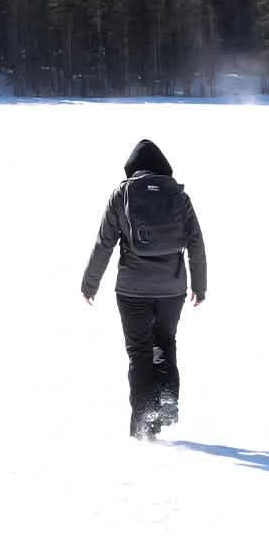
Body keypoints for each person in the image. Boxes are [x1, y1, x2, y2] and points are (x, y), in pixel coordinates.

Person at [81, 139, 206, 439]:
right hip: (172, 289)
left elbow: (104, 243)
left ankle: (142, 427)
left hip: (131, 289)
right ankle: (167, 397)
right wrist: (200, 286)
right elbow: (196, 242)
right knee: (165, 342)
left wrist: (90, 284)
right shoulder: (178, 196)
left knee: (139, 353)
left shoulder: (122, 195)